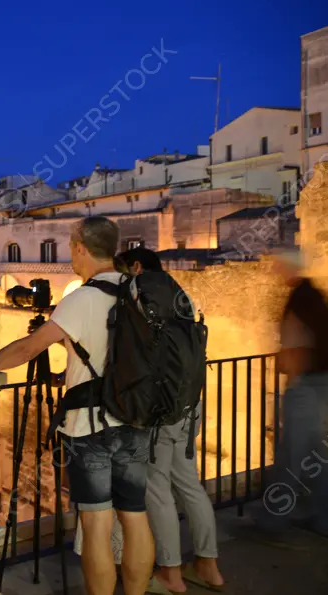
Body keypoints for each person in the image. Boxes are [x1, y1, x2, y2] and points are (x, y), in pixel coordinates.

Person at [0, 216, 154, 595]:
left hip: (91, 426)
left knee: (96, 524)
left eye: (71, 246)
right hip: (136, 417)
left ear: (80, 247)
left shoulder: (82, 298)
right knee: (134, 516)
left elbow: (29, 347)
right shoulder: (139, 290)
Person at [117, 247, 224, 594]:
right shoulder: (182, 294)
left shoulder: (138, 291)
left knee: (157, 490)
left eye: (124, 270)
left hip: (159, 409)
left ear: (136, 265)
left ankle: (171, 573)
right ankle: (209, 566)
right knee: (189, 485)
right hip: (189, 404)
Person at [251, 248, 328, 539]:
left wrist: (291, 376)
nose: (274, 272)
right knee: (319, 458)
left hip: (306, 388)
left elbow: (297, 350)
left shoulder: (300, 299)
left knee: (289, 457)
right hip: (321, 385)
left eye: (278, 267)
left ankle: (273, 521)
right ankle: (323, 518)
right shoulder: (314, 296)